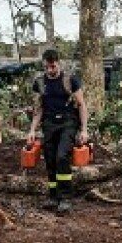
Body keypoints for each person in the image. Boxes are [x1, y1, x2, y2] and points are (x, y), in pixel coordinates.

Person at [26, 49, 89, 214]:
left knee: (62, 157)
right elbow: (38, 109)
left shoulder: (70, 80)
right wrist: (32, 130)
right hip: (49, 124)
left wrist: (84, 130)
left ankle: (65, 198)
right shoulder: (39, 83)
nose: (50, 70)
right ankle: (53, 196)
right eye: (46, 67)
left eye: (52, 67)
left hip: (68, 123)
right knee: (50, 159)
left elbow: (81, 105)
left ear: (58, 63)